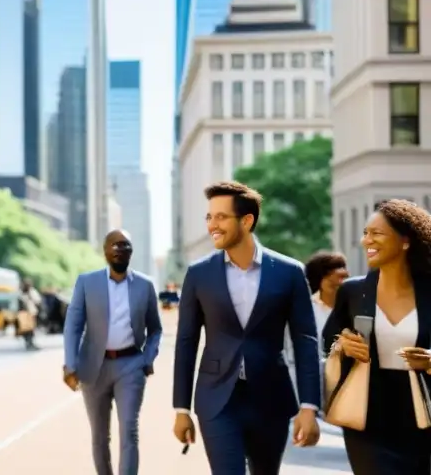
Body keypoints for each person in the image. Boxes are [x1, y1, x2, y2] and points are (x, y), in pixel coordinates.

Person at [172, 181, 321, 474]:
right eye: (209, 217)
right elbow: (186, 341)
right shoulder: (199, 273)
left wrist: (309, 406)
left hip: (271, 398)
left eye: (221, 217)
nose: (212, 225)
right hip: (217, 400)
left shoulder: (290, 272)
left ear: (247, 220)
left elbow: (305, 340)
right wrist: (181, 409)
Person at [322, 199, 431, 473]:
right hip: (367, 412)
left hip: (423, 413)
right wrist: (343, 344)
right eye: (365, 233)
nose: (366, 241)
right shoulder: (353, 291)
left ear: (405, 241)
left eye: (376, 233)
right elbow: (328, 340)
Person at [63, 229, 163, 474]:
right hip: (93, 367)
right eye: (114, 245)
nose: (120, 249)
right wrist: (70, 364)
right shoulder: (87, 282)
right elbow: (73, 326)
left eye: (125, 245)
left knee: (129, 429)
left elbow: (156, 329)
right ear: (105, 250)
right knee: (99, 435)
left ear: (132, 251)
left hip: (130, 365)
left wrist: (147, 359)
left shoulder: (145, 285)